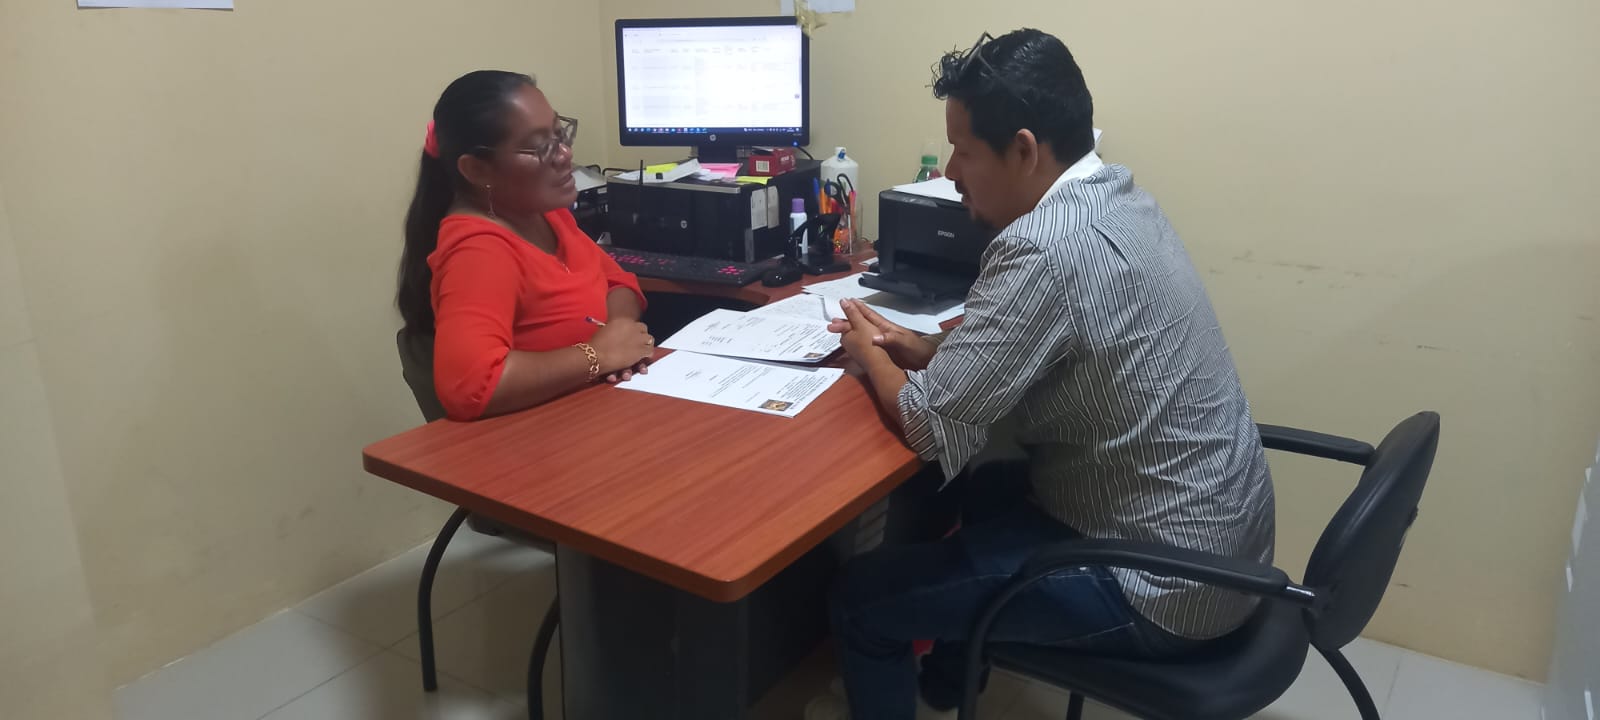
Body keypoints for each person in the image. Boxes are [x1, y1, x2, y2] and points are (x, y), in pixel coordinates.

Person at [806, 29, 1275, 720]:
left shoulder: (1042, 246)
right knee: (989, 486)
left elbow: (928, 428)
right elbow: (1055, 343)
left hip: (1165, 591)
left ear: (1024, 151)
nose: (952, 172)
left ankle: (909, 670)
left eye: (964, 151)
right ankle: (948, 683)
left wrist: (866, 346)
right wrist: (925, 348)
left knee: (860, 600)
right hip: (1223, 551)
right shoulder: (1118, 196)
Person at [396, 70, 655, 421]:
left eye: (559, 134)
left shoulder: (545, 213)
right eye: (540, 147)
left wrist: (618, 334)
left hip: (594, 414)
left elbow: (619, 282)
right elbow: (471, 386)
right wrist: (598, 355)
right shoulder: (479, 250)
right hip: (542, 437)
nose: (564, 154)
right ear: (477, 170)